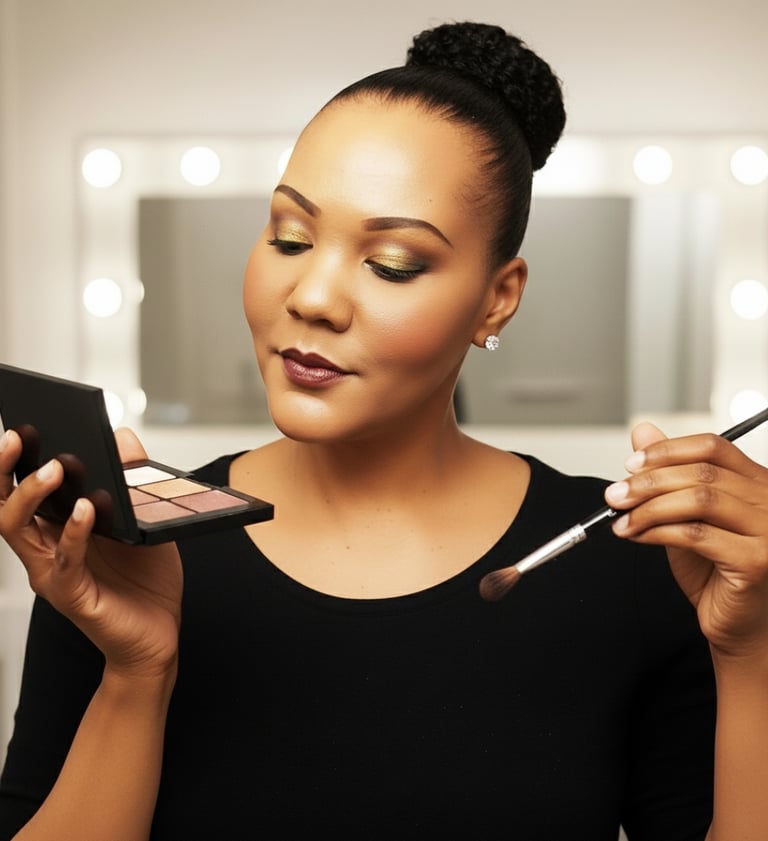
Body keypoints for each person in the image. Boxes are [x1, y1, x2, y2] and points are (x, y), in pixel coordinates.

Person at [1, 20, 767, 841]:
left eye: (393, 261)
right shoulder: (124, 551)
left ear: (497, 298)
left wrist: (752, 652)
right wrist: (135, 671)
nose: (314, 295)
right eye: (289, 236)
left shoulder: (639, 565)